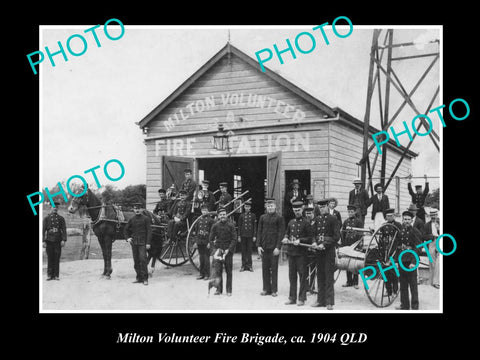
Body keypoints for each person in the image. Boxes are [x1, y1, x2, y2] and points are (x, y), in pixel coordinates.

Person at [311, 199, 341, 310]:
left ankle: (329, 302)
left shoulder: (333, 219)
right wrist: (314, 242)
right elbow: (313, 233)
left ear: (328, 206)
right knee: (320, 276)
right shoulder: (317, 219)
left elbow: (336, 236)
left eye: (323, 207)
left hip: (328, 252)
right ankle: (320, 300)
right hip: (319, 252)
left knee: (328, 276)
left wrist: (324, 244)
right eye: (320, 207)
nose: (322, 209)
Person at [282, 201, 313, 306]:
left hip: (301, 254)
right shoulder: (291, 222)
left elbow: (310, 238)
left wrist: (300, 240)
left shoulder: (306, 222)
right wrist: (285, 238)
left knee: (302, 276)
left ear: (302, 209)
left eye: (298, 210)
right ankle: (292, 298)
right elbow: (287, 232)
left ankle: (302, 298)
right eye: (295, 211)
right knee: (292, 276)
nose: (297, 212)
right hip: (291, 253)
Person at [257, 198, 285, 297]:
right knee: (265, 269)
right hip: (264, 247)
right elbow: (259, 232)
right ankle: (265, 289)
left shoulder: (279, 218)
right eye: (268, 206)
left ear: (275, 207)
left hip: (274, 248)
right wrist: (259, 246)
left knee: (274, 269)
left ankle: (274, 290)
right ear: (266, 207)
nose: (270, 208)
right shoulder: (262, 217)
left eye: (271, 206)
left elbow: (281, 234)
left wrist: (278, 247)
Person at [394, 210, 422, 310]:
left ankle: (415, 307)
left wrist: (414, 262)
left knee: (413, 285)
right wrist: (396, 261)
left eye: (408, 219)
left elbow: (418, 248)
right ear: (402, 219)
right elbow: (397, 247)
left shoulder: (415, 231)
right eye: (405, 219)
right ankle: (404, 306)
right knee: (403, 284)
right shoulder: (400, 231)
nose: (406, 221)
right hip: (402, 260)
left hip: (410, 261)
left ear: (411, 220)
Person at [209, 207, 237, 296]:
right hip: (219, 251)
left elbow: (234, 239)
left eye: (224, 214)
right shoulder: (215, 226)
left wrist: (229, 249)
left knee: (229, 271)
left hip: (228, 251)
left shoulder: (231, 225)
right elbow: (210, 239)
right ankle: (219, 290)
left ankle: (229, 290)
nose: (222, 216)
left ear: (226, 215)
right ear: (218, 216)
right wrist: (215, 250)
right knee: (218, 271)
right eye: (220, 215)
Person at [124, 203, 152, 286]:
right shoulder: (131, 219)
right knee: (136, 261)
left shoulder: (146, 219)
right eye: (135, 208)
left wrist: (148, 243)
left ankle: (145, 279)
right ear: (133, 210)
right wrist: (128, 238)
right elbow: (125, 230)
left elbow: (149, 231)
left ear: (142, 210)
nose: (137, 210)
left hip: (143, 243)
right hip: (134, 243)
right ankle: (139, 278)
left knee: (143, 260)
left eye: (139, 208)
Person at [380, 208, 402, 296]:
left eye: (391, 216)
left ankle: (395, 290)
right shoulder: (384, 225)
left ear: (394, 216)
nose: (389, 217)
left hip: (395, 251)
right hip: (386, 251)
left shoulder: (398, 225)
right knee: (385, 272)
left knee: (393, 272)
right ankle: (388, 290)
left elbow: (401, 237)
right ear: (386, 217)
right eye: (388, 216)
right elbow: (381, 238)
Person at [43, 202, 67, 281]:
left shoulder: (61, 218)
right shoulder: (46, 218)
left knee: (57, 258)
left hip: (58, 240)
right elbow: (42, 230)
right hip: (49, 240)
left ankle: (56, 275)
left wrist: (63, 240)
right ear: (50, 208)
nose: (55, 208)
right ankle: (49, 275)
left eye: (56, 207)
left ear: (58, 208)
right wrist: (43, 241)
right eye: (53, 207)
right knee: (50, 257)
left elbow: (64, 230)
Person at [341, 204, 363, 288]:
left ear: (355, 212)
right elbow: (343, 232)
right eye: (349, 212)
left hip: (355, 244)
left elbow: (360, 234)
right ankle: (349, 281)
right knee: (347, 262)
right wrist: (343, 244)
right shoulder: (346, 221)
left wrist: (358, 245)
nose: (350, 213)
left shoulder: (358, 221)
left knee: (354, 263)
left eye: (351, 212)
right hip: (347, 244)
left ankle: (355, 282)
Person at [192, 204, 215, 280]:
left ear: (208, 211)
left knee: (206, 259)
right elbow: (196, 231)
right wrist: (196, 242)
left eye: (205, 210)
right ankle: (201, 274)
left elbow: (212, 233)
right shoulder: (199, 220)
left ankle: (207, 275)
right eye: (202, 210)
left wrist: (209, 242)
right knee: (201, 258)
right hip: (200, 241)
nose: (204, 212)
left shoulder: (211, 220)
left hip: (206, 241)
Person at [237, 200, 257, 272]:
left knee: (249, 251)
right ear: (244, 207)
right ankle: (243, 265)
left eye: (248, 206)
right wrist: (239, 236)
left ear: (250, 207)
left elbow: (255, 226)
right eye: (246, 206)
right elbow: (239, 226)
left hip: (250, 236)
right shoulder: (241, 216)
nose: (247, 208)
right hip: (243, 235)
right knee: (243, 251)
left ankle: (249, 265)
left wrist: (254, 235)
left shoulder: (253, 215)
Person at [423, 209, 440, 289]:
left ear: (437, 215)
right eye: (432, 215)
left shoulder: (440, 223)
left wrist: (438, 229)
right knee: (432, 262)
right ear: (430, 216)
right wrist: (431, 237)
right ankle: (432, 281)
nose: (433, 217)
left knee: (439, 262)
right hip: (431, 242)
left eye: (435, 215)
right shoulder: (426, 225)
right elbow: (424, 236)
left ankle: (436, 282)